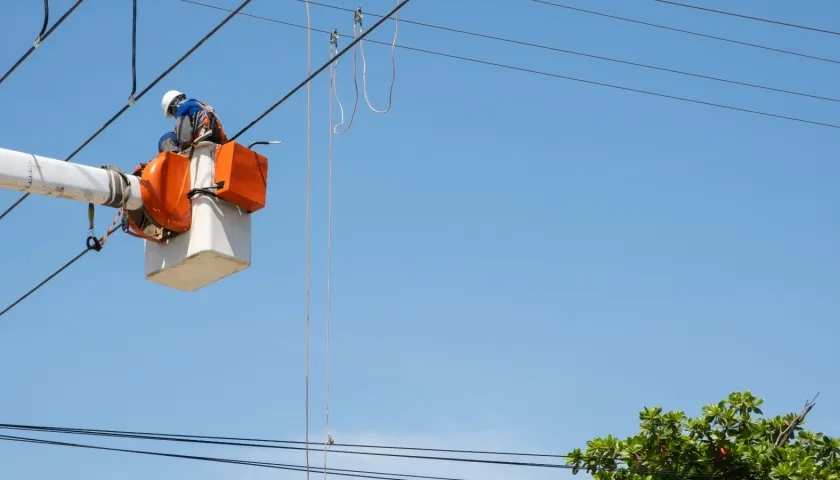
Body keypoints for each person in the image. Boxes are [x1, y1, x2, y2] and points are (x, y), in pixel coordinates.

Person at [160, 90, 228, 151]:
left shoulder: (184, 109)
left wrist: (180, 151)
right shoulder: (204, 107)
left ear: (174, 106)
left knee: (165, 138)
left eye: (172, 112)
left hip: (201, 146)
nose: (175, 117)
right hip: (219, 144)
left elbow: (185, 140)